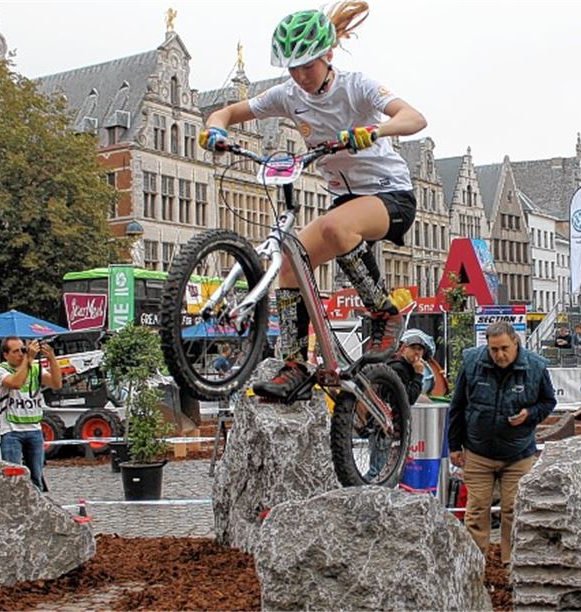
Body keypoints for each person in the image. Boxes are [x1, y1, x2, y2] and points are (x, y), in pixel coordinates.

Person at [199, 3, 426, 402]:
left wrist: (373, 131)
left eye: (308, 66)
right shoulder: (288, 95)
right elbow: (227, 111)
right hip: (345, 198)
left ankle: (383, 312)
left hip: (390, 194)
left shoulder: (357, 86)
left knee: (336, 228)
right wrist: (215, 131)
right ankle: (295, 365)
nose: (301, 76)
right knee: (290, 262)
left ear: (328, 55)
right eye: (292, 68)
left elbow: (414, 118)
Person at [447, 321, 556, 562]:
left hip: (518, 454)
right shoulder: (472, 362)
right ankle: (474, 565)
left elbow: (548, 402)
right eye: (494, 349)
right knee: (476, 511)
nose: (499, 354)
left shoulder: (536, 367)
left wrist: (530, 414)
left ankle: (512, 565)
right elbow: (457, 406)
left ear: (515, 342)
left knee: (513, 510)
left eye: (504, 348)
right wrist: (454, 445)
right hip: (478, 451)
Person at [0, 337, 62, 490]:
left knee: (36, 477)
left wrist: (51, 358)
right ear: (5, 355)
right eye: (15, 351)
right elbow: (16, 383)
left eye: (22, 350)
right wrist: (28, 359)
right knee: (13, 479)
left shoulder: (34, 368)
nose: (20, 354)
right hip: (11, 431)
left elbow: (56, 383)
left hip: (34, 429)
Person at [366, 329, 434, 480]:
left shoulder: (403, 367)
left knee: (385, 472)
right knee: (378, 472)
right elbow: (408, 398)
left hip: (386, 425)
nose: (416, 353)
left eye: (420, 349)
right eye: (413, 348)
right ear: (404, 348)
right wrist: (418, 375)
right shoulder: (399, 368)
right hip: (383, 427)